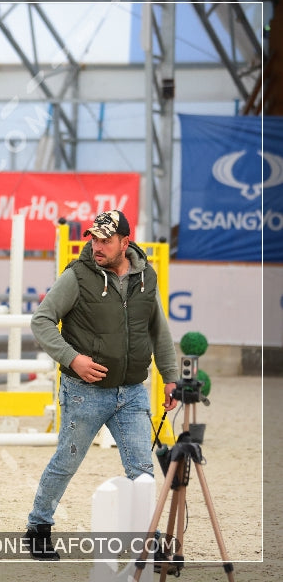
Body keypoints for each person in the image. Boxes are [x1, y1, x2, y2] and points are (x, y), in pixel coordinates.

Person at [24, 210, 179, 560]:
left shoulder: (146, 277)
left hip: (133, 392)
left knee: (141, 467)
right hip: (84, 391)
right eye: (93, 238)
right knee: (67, 460)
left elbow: (159, 330)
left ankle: (147, 540)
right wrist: (71, 358)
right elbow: (42, 320)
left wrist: (170, 376)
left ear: (125, 242)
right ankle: (38, 526)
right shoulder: (77, 276)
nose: (97, 246)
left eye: (105, 240)